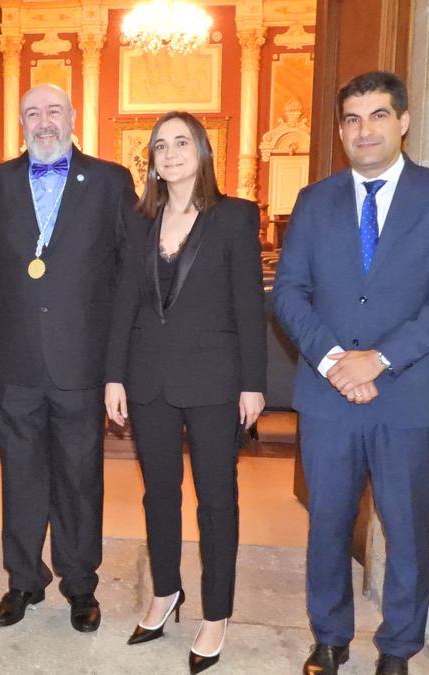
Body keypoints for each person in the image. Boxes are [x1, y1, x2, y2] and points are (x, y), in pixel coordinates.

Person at [273, 71, 429, 675]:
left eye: (378, 116)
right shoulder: (314, 201)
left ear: (403, 121)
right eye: (353, 119)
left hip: (409, 397)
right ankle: (330, 638)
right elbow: (289, 293)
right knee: (328, 523)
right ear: (341, 131)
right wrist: (337, 361)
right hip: (328, 397)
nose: (365, 130)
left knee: (408, 529)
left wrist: (379, 359)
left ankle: (397, 649)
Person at [0, 84, 137, 632]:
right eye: (32, 113)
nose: (43, 122)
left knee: (80, 478)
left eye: (53, 111)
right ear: (21, 122)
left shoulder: (111, 182)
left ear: (72, 117)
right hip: (15, 360)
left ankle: (80, 585)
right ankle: (22, 581)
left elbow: (125, 273)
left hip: (81, 363)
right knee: (19, 476)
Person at [104, 111, 266, 674]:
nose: (170, 153)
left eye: (181, 142)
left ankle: (216, 611)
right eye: (160, 146)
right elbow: (124, 302)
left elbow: (250, 304)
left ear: (202, 151)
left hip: (216, 381)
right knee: (158, 495)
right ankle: (166, 590)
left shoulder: (235, 217)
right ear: (150, 159)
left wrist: (253, 383)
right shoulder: (138, 222)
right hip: (148, 377)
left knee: (217, 501)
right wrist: (114, 374)